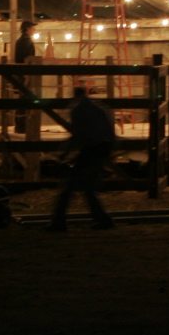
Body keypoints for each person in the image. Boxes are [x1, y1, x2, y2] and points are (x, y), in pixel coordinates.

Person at [47, 87, 115, 230]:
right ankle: (102, 219)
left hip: (90, 150)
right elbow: (109, 131)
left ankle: (58, 221)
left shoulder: (77, 110)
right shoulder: (100, 108)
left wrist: (65, 153)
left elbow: (78, 135)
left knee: (69, 188)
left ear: (74, 96)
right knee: (88, 188)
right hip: (102, 148)